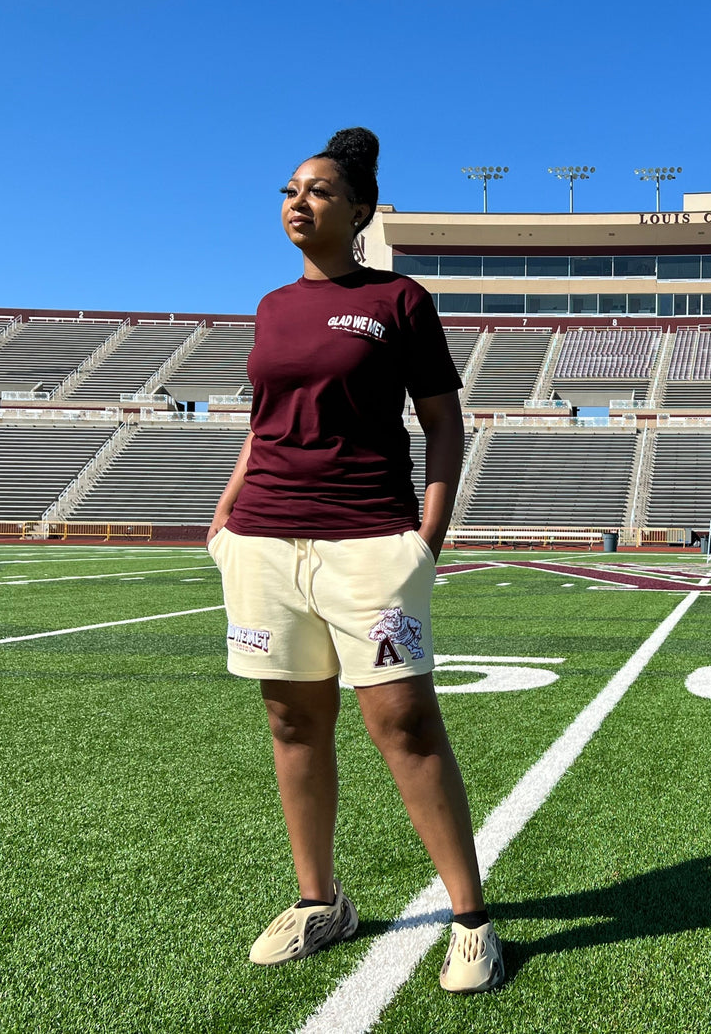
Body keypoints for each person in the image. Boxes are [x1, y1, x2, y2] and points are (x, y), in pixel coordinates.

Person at [206, 128, 502, 992]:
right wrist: (226, 513)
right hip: (263, 537)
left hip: (370, 537)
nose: (300, 201)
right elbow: (262, 424)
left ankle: (470, 918)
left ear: (360, 210)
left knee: (403, 723)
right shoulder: (269, 306)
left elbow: (445, 424)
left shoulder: (397, 301)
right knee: (292, 721)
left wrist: (427, 538)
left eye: (321, 191)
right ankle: (318, 902)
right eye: (291, 189)